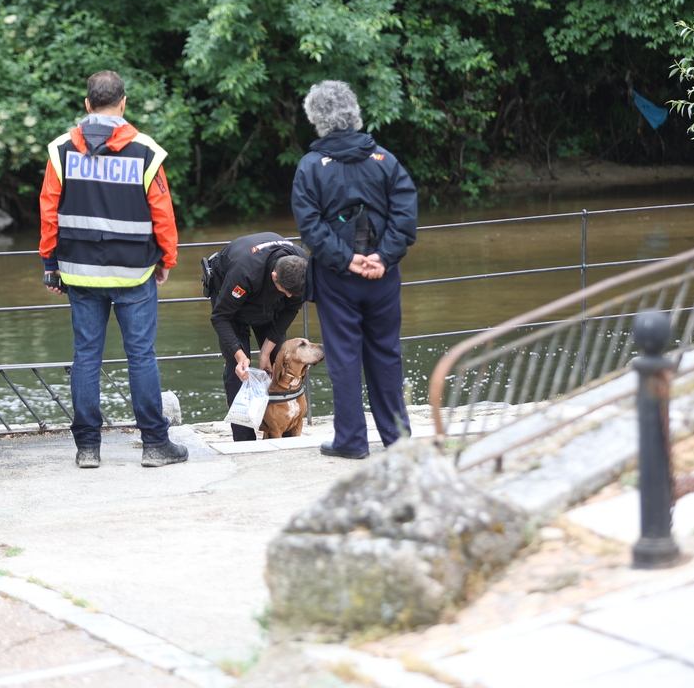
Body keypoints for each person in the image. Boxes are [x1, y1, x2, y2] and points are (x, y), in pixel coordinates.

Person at [39, 70, 187, 469]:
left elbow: (49, 210)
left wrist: (51, 264)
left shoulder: (61, 150)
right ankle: (155, 445)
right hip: (134, 272)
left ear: (87, 105)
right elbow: (163, 212)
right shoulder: (145, 151)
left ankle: (87, 448)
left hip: (80, 274)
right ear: (123, 103)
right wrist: (166, 260)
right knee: (141, 356)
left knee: (86, 356)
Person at [291, 80, 418, 459]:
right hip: (382, 275)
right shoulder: (384, 160)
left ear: (316, 119)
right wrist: (383, 256)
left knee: (344, 358)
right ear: (354, 113)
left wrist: (347, 259)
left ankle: (351, 441)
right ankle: (398, 440)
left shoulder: (310, 167)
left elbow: (310, 227)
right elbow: (405, 214)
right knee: (386, 353)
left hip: (337, 279)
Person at [205, 232, 308, 441]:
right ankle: (244, 439)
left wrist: (267, 352)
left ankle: (286, 433)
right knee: (239, 372)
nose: (290, 296)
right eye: (286, 291)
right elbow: (220, 317)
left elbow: (290, 309)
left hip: (271, 306)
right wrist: (240, 355)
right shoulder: (244, 271)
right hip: (231, 305)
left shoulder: (303, 270)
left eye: (293, 293)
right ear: (274, 276)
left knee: (280, 361)